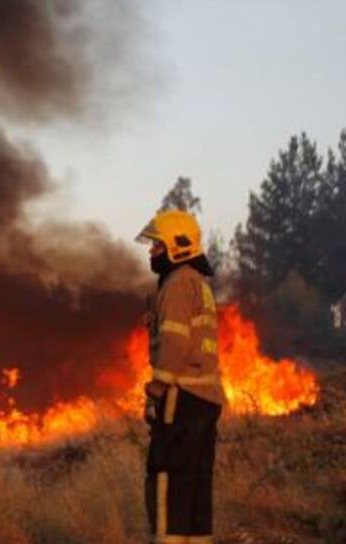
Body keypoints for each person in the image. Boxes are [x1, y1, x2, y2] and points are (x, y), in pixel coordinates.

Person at [137, 209, 225, 544]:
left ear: (178, 246)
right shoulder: (199, 284)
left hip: (181, 398)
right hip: (206, 400)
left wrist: (156, 389)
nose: (151, 251)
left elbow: (175, 342)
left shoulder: (176, 284)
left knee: (168, 481)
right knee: (195, 488)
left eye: (157, 245)